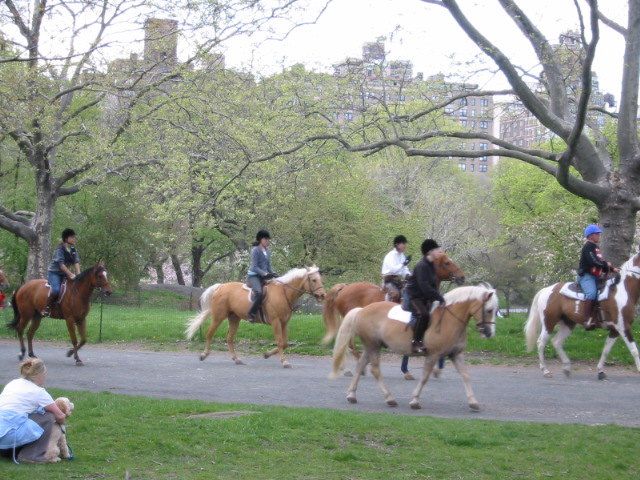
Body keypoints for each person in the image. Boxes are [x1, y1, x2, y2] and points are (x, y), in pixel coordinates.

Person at [0, 359, 66, 464]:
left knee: (31, 415)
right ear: (40, 376)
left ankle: (7, 452)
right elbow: (60, 416)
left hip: (2, 431)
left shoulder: (13, 383)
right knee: (48, 416)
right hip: (12, 433)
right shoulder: (39, 392)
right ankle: (30, 455)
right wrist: (62, 425)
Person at [404, 239, 446, 353]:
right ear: (430, 252)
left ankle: (425, 340)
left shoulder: (431, 265)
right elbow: (425, 287)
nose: (439, 251)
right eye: (437, 249)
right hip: (413, 296)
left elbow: (433, 284)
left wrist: (439, 296)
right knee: (423, 314)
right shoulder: (421, 266)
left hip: (424, 297)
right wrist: (438, 297)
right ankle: (414, 342)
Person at [577, 224, 620, 330]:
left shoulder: (595, 247)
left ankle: (605, 318)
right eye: (597, 234)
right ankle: (587, 320)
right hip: (587, 276)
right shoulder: (588, 247)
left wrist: (613, 269)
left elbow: (599, 264)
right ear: (590, 236)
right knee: (591, 293)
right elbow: (593, 262)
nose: (599, 236)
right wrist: (606, 264)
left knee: (607, 292)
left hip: (596, 276)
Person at [43, 228, 81, 317]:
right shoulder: (59, 249)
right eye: (72, 237)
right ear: (66, 238)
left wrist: (79, 273)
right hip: (54, 273)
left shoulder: (73, 249)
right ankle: (46, 308)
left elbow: (75, 261)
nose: (73, 239)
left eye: (73, 237)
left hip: (64, 273)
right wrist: (71, 274)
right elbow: (61, 264)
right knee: (56, 290)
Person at [247, 229, 278, 323]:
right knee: (259, 292)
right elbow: (255, 266)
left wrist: (275, 274)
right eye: (266, 239)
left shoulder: (268, 251)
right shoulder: (255, 250)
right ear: (260, 239)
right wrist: (264, 274)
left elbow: (268, 266)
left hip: (264, 276)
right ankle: (251, 313)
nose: (267, 241)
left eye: (268, 239)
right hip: (254, 276)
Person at [381, 235, 412, 302]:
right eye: (403, 244)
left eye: (405, 244)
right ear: (397, 244)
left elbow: (404, 269)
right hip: (388, 281)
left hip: (396, 281)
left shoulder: (402, 256)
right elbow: (393, 269)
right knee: (395, 294)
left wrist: (408, 275)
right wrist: (403, 264)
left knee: (408, 292)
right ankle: (389, 309)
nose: (405, 246)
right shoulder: (391, 255)